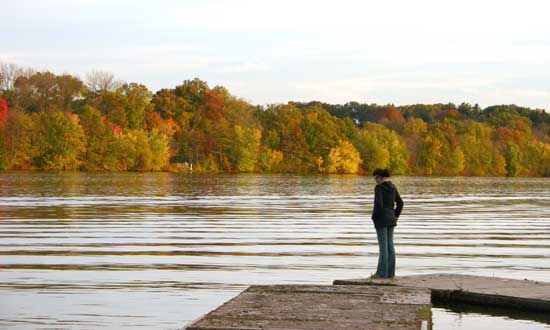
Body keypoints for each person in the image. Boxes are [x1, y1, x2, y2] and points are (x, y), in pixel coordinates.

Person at [370, 168, 403, 279]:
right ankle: (390, 274)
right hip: (391, 219)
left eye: (376, 178)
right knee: (390, 246)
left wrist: (374, 217)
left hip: (381, 220)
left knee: (383, 247)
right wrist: (395, 216)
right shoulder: (393, 187)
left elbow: (378, 205)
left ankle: (381, 274)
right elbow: (400, 203)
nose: (376, 180)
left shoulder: (379, 188)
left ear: (381, 177)